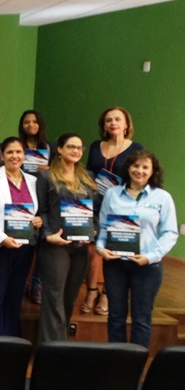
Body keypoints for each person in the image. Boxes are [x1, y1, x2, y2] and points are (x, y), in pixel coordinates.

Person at [96, 150, 178, 348]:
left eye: (145, 167)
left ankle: (136, 363)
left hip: (147, 267)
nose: (139, 170)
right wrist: (100, 248)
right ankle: (117, 362)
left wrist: (151, 257)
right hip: (115, 264)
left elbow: (170, 232)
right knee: (116, 316)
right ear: (128, 168)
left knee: (141, 318)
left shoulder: (162, 197)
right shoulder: (112, 194)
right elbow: (104, 227)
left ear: (152, 171)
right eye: (135, 166)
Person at [36, 133, 100, 343]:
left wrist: (94, 230)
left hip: (80, 246)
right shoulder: (46, 177)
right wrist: (48, 235)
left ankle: (61, 345)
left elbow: (95, 211)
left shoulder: (87, 176)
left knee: (69, 297)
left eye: (79, 148)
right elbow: (41, 211)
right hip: (55, 245)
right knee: (53, 296)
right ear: (60, 150)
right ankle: (49, 348)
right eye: (71, 147)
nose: (76, 151)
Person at [0, 137, 41, 337]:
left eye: (19, 152)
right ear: (2, 155)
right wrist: (1, 238)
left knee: (14, 296)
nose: (15, 156)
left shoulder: (33, 181)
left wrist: (38, 220)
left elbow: (37, 213)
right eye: (10, 152)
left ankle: (11, 342)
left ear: (24, 155)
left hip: (25, 248)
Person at [83, 106, 143, 316]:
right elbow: (89, 173)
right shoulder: (94, 146)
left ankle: (107, 293)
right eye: (108, 120)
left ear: (126, 124)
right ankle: (91, 290)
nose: (113, 123)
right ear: (104, 125)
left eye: (118, 119)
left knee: (115, 249)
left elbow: (138, 177)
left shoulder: (135, 148)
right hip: (96, 203)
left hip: (121, 204)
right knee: (92, 250)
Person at [18, 110, 51, 304]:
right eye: (27, 122)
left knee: (41, 242)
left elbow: (58, 170)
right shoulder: (17, 145)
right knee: (24, 239)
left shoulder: (48, 147)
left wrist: (49, 169)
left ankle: (37, 282)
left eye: (35, 122)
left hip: (43, 195)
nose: (31, 125)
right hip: (22, 196)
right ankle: (22, 282)